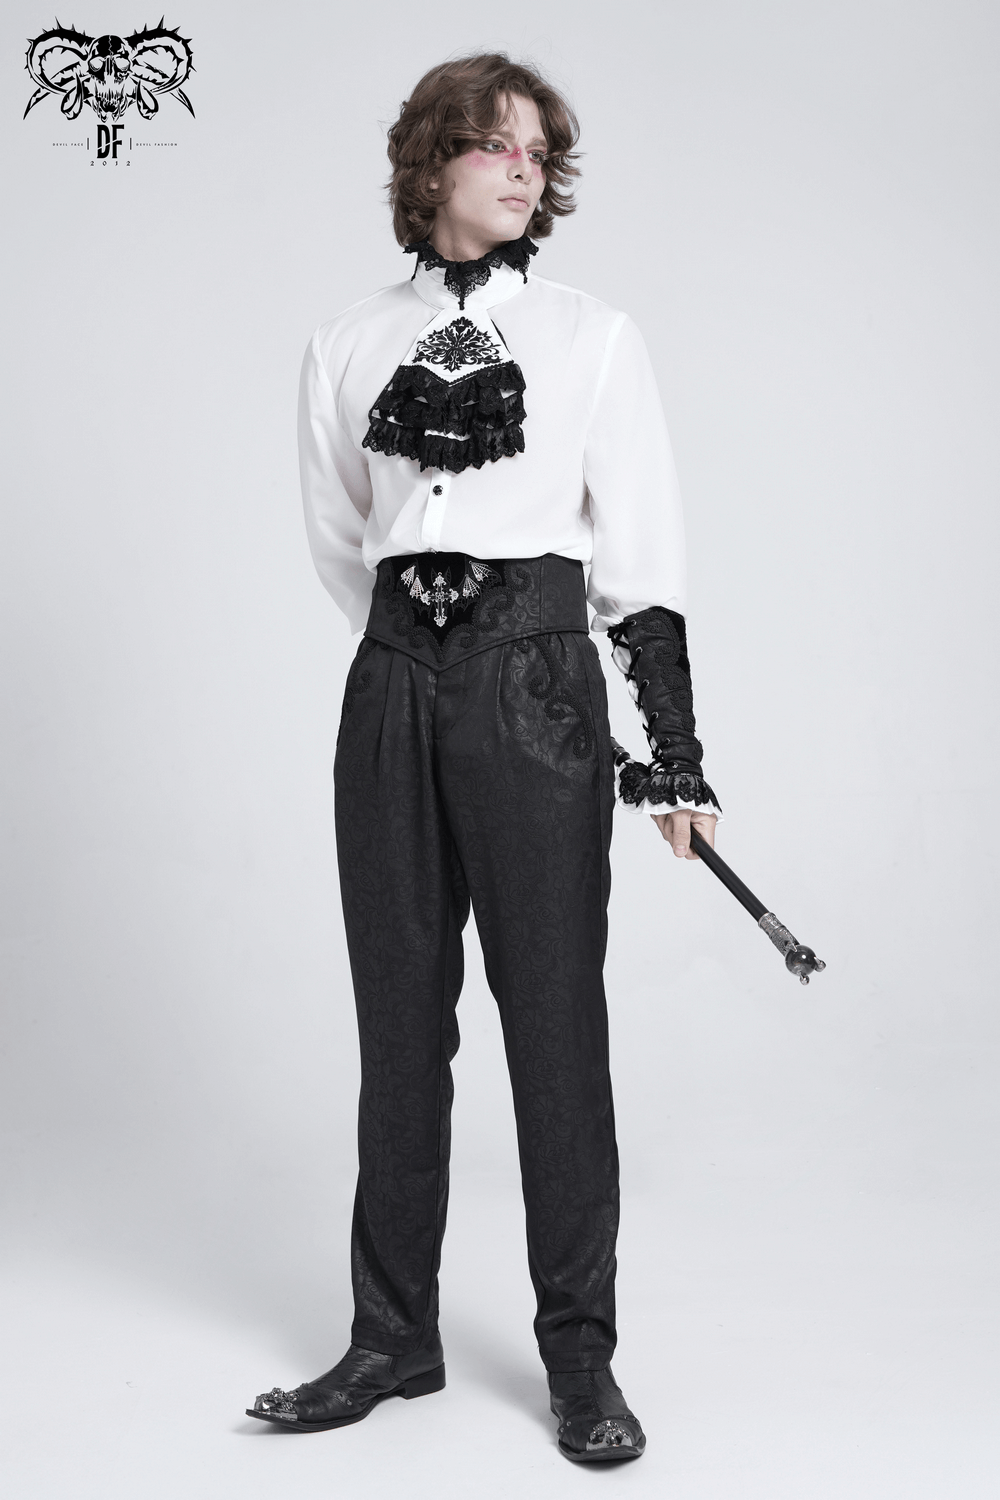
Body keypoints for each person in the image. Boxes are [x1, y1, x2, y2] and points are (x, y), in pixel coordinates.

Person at [247, 52, 720, 1464]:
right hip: (394, 683)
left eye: (538, 153)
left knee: (554, 1023)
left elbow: (640, 558)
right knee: (399, 1024)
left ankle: (581, 1358)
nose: (524, 170)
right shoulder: (345, 341)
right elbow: (343, 540)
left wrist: (674, 755)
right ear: (432, 164)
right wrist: (419, 647)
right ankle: (392, 1338)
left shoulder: (593, 337)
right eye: (494, 146)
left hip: (536, 685)